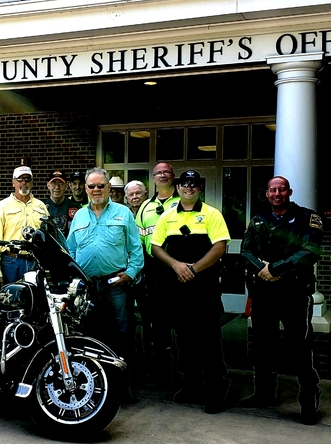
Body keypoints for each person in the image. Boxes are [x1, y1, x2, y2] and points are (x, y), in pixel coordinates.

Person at [240, 176, 324, 425]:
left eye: (282, 189)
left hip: (294, 293)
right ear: (267, 193)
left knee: (300, 347)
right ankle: (264, 393)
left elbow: (310, 251)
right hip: (264, 292)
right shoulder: (259, 219)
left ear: (290, 192)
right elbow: (246, 251)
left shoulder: (308, 218)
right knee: (263, 345)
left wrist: (276, 269)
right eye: (273, 190)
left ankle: (309, 400)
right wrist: (263, 270)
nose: (277, 194)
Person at [150, 170, 231, 414]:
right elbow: (155, 247)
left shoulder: (212, 214)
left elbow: (219, 247)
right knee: (184, 340)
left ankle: (215, 393)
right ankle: (190, 387)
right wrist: (176, 265)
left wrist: (193, 269)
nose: (189, 188)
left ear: (200, 189)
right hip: (178, 289)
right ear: (178, 188)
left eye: (193, 184)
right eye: (184, 184)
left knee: (209, 341)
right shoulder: (167, 216)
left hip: (205, 288)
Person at [66, 167, 143, 357]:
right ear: (86, 188)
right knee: (87, 331)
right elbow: (71, 250)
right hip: (86, 286)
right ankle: (94, 370)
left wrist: (130, 273)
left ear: (108, 187)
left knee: (119, 330)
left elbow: (136, 248)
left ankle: (120, 370)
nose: (96, 190)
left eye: (100, 186)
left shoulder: (123, 213)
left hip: (115, 284)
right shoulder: (79, 215)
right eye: (92, 186)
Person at [135, 163, 180, 382]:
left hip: (179, 268)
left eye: (166, 172)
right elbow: (138, 239)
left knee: (181, 322)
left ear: (173, 176)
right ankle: (159, 370)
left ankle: (184, 370)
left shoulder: (184, 201)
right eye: (158, 173)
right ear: (153, 178)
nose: (162, 176)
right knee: (156, 323)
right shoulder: (146, 206)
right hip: (153, 270)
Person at [0, 165, 49, 290]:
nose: (24, 182)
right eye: (20, 179)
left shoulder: (41, 206)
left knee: (36, 298)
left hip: (36, 262)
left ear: (32, 183)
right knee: (11, 297)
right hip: (11, 263)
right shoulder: (2, 206)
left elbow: (48, 236)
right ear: (13, 182)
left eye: (27, 179)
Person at [44, 170, 81, 237]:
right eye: (54, 183)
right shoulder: (41, 207)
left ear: (66, 186)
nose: (57, 187)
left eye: (60, 184)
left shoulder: (76, 208)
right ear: (48, 185)